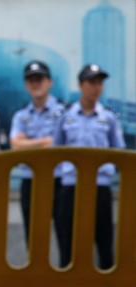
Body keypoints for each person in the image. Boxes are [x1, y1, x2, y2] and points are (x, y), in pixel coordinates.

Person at [53, 63, 125, 270]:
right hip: (70, 187)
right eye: (92, 82)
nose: (96, 87)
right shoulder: (66, 116)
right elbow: (56, 152)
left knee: (104, 242)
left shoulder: (109, 118)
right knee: (67, 242)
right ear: (80, 85)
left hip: (99, 187)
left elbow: (118, 151)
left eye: (100, 83)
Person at [9, 60, 66, 244]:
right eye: (31, 80)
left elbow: (58, 144)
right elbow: (16, 146)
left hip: (59, 180)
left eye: (39, 79)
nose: (35, 84)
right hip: (30, 180)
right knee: (33, 238)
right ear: (26, 85)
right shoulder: (21, 115)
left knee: (65, 236)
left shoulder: (64, 111)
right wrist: (44, 142)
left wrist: (28, 142)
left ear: (50, 82)